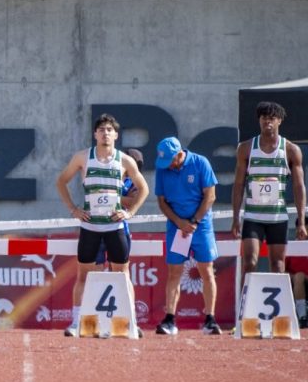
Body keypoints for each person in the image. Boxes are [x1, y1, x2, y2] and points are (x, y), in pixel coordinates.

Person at [55, 114, 149, 337]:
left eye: (109, 130)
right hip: (90, 228)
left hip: (115, 228)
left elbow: (144, 189)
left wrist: (130, 213)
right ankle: (76, 322)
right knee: (84, 275)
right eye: (101, 130)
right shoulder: (82, 157)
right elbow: (61, 181)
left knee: (122, 275)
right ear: (95, 134)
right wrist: (74, 209)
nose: (105, 133)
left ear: (116, 135)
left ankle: (131, 322)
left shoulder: (124, 160)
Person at [231, 101, 308, 289]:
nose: (268, 122)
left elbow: (299, 186)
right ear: (259, 120)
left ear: (279, 121)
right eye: (264, 118)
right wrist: (235, 218)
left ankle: (278, 306)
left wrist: (301, 221)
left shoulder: (290, 150)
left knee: (278, 265)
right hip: (253, 216)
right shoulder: (246, 148)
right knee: (249, 262)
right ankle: (245, 303)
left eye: (272, 118)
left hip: (277, 217)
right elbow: (239, 184)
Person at [154, 136, 221, 335]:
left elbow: (210, 196)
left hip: (201, 226)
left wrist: (194, 222)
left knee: (206, 270)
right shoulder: (162, 169)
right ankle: (169, 319)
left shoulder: (201, 163)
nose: (167, 165)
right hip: (177, 226)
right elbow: (162, 202)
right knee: (174, 271)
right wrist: (179, 222)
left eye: (170, 160)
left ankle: (210, 319)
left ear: (179, 154)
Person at [95, 148, 143, 270]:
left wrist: (110, 197)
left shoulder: (134, 183)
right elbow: (96, 194)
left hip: (119, 229)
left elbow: (132, 202)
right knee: (95, 273)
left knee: (119, 273)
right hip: (97, 227)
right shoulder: (107, 174)